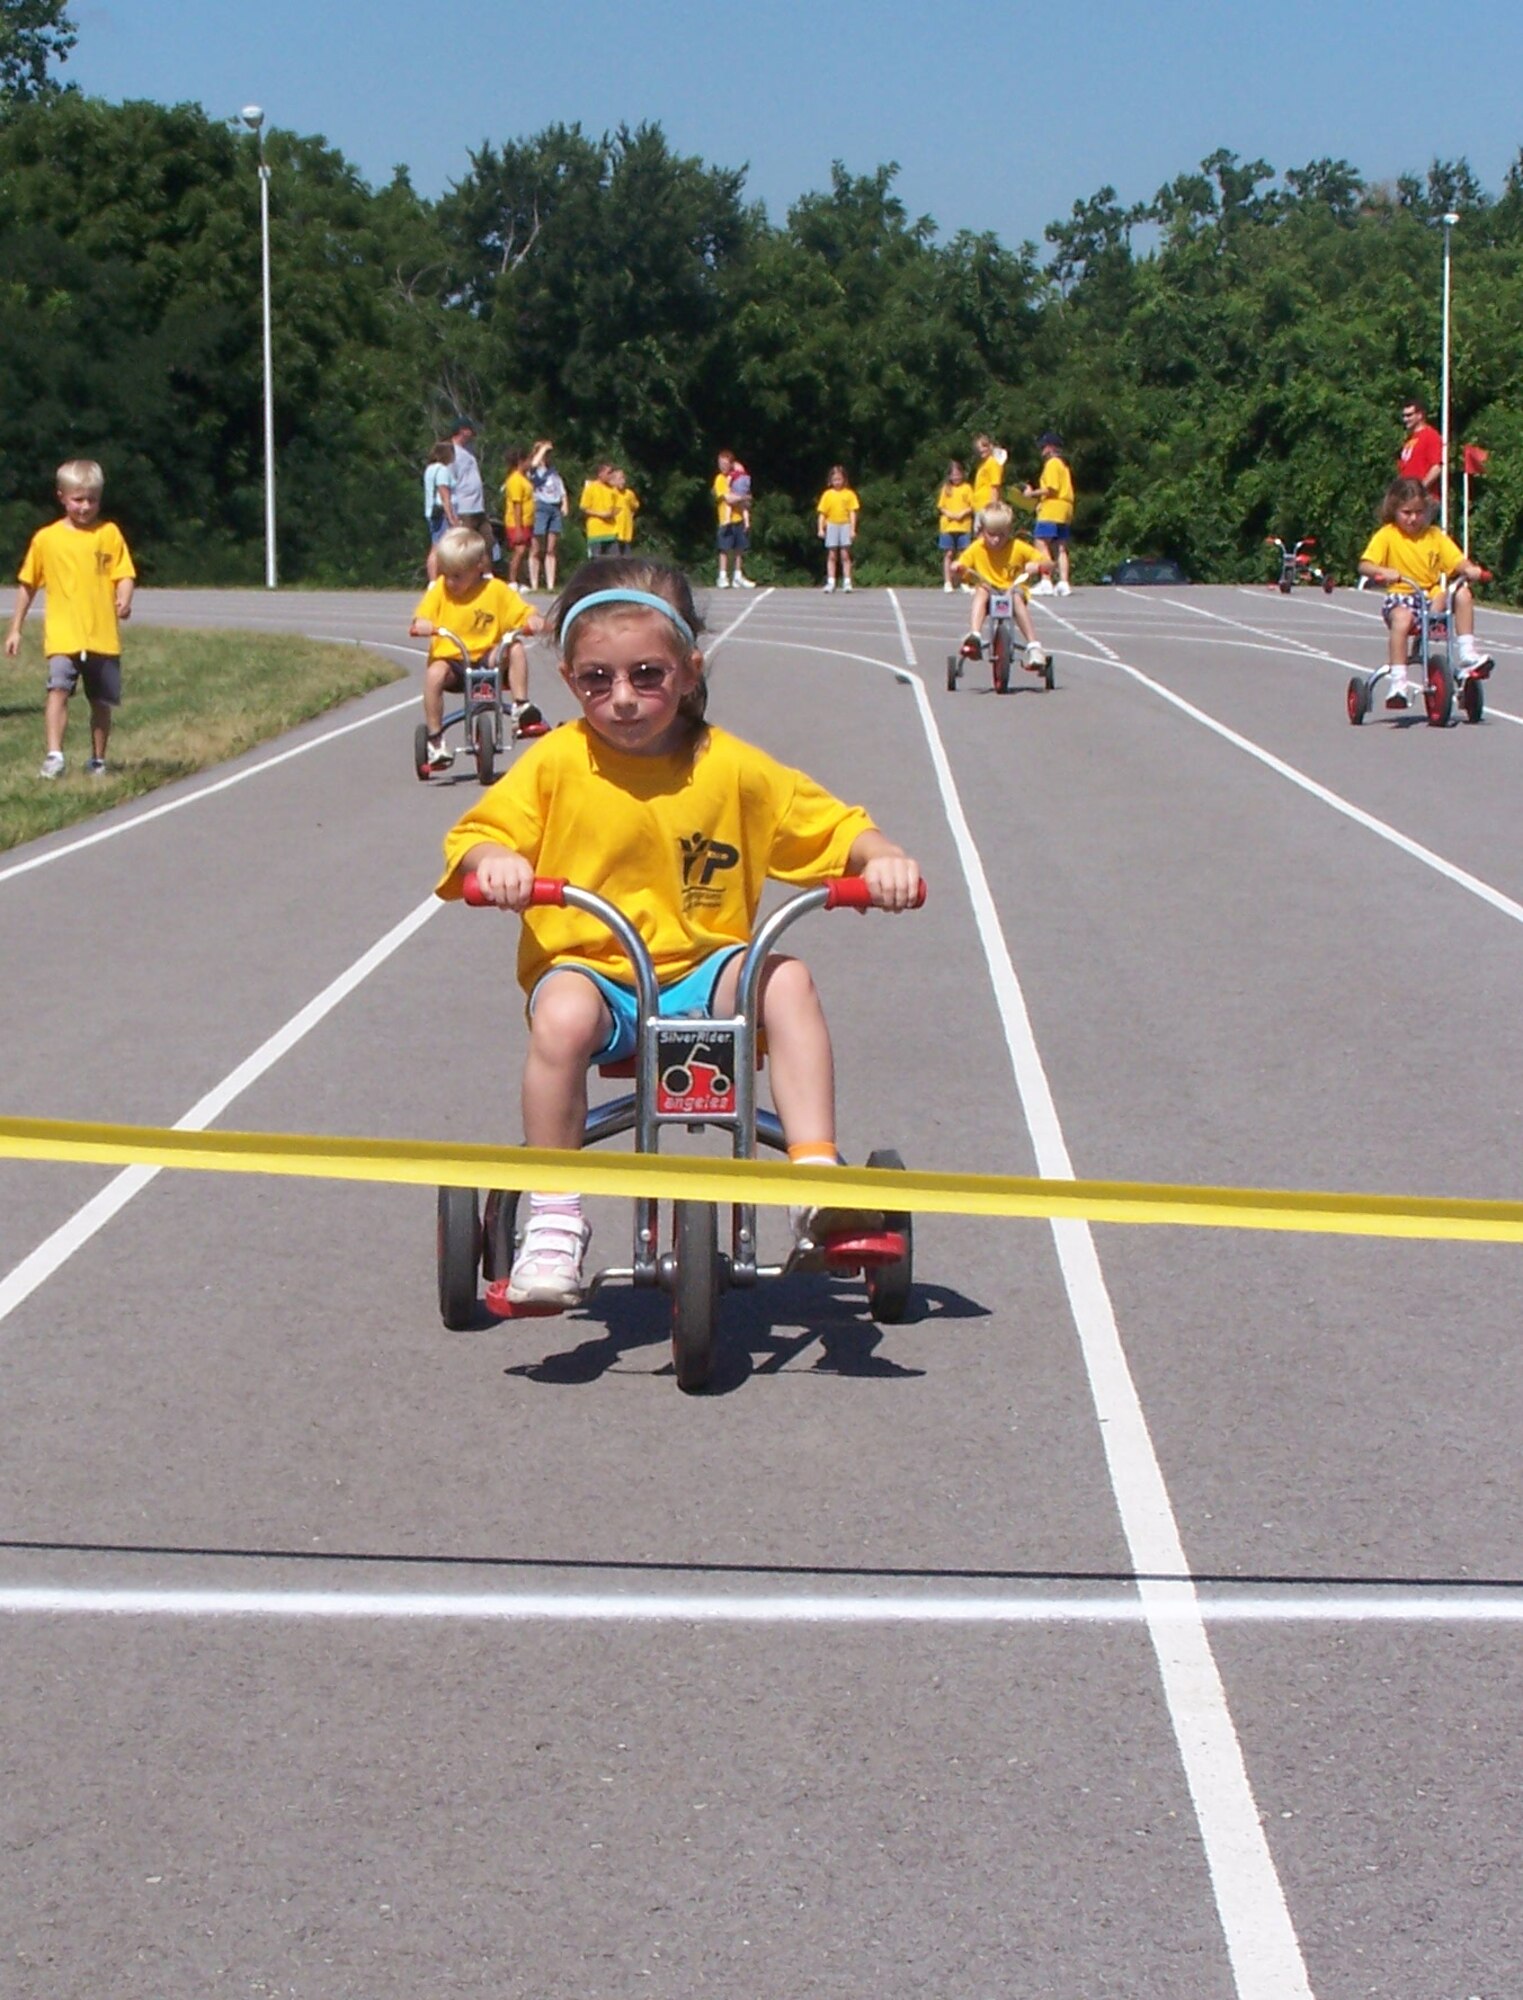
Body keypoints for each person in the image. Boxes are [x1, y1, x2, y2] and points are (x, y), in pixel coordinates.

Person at [435, 556, 921, 1308]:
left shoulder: (728, 767)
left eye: (647, 675)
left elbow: (831, 825)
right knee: (561, 1015)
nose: (622, 699)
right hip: (595, 971)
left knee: (783, 976)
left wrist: (879, 858)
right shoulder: (559, 762)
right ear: (568, 678)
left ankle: (816, 1177)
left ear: (690, 672)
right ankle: (556, 1215)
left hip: (703, 972)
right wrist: (495, 862)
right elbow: (479, 834)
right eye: (597, 680)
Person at [4, 458, 136, 779]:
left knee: (101, 700)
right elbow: (27, 585)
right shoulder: (47, 539)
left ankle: (98, 759)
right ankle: (54, 755)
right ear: (61, 496)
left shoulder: (109, 533)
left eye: (92, 499)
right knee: (58, 689)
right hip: (64, 635)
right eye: (78, 499)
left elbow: (124, 573)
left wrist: (125, 598)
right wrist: (15, 628)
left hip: (101, 635)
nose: (85, 506)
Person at [409, 526, 544, 769]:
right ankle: (435, 738)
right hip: (453, 660)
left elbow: (521, 611)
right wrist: (422, 624)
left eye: (457, 575)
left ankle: (521, 706)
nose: (450, 581)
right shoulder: (440, 590)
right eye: (446, 573)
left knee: (514, 648)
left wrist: (532, 620)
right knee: (434, 674)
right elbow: (422, 616)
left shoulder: (496, 590)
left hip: (487, 658)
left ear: (479, 567)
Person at [1357, 477, 1492, 705]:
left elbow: (1456, 560)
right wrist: (1383, 571)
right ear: (1395, 510)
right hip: (1402, 596)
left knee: (1461, 592)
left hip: (1430, 598)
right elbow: (1364, 565)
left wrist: (1470, 570)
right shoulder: (1388, 535)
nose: (1413, 518)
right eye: (1406, 512)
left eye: (1418, 512)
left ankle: (1468, 654)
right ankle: (1398, 683)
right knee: (1402, 619)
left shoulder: (1434, 536)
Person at [951, 502, 1050, 671]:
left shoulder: (1017, 547)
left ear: (1009, 531)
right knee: (981, 590)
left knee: (1016, 597)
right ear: (982, 531)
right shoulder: (977, 548)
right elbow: (961, 564)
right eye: (991, 534)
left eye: (1002, 535)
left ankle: (1034, 646)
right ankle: (975, 634)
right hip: (989, 590)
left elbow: (1047, 562)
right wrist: (957, 568)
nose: (996, 539)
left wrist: (1039, 566)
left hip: (1013, 589)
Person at [1023, 432, 1075, 595]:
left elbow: (1051, 488)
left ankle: (1046, 580)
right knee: (1060, 547)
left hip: (1052, 507)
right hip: (1065, 507)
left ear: (1051, 447)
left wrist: (1032, 494)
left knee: (1041, 543)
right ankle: (1064, 582)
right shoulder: (1063, 465)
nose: (1042, 450)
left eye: (1044, 446)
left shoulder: (1052, 463)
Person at [712, 449, 756, 589]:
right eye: (720, 464)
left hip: (738, 518)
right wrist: (742, 497)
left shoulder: (736, 478)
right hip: (726, 519)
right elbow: (728, 498)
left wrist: (744, 498)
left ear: (731, 464)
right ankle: (722, 576)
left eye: (725, 464)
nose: (722, 467)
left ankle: (738, 576)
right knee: (724, 549)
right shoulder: (720, 479)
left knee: (739, 549)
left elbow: (749, 498)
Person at [527, 440, 566, 594]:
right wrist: (541, 449)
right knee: (536, 546)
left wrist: (564, 503)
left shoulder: (553, 471)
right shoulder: (534, 471)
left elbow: (560, 488)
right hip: (540, 506)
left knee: (551, 548)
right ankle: (534, 583)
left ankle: (550, 583)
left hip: (554, 507)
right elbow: (533, 464)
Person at [816, 466, 860, 593]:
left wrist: (852, 529)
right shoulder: (827, 495)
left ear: (844, 479)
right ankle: (831, 581)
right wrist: (820, 528)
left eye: (839, 479)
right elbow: (822, 513)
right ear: (831, 480)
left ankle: (847, 581)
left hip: (845, 525)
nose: (837, 482)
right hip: (831, 525)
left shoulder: (849, 494)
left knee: (845, 554)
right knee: (832, 554)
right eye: (834, 479)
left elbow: (852, 512)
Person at [448, 418, 490, 548]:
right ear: (462, 431)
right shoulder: (451, 452)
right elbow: (447, 482)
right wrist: (451, 512)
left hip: (478, 507)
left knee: (488, 543)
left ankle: (486, 569)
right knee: (466, 547)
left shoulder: (469, 451)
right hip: (464, 509)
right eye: (470, 429)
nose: (472, 433)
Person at [1397, 398, 1444, 510]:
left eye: (1409, 415)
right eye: (1404, 416)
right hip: (1407, 497)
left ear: (1420, 415)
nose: (1405, 419)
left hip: (1425, 498)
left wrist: (1420, 488)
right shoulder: (1410, 439)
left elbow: (1437, 467)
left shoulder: (1430, 435)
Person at [936, 461, 976, 592]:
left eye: (958, 474)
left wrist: (962, 514)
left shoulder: (967, 488)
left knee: (964, 554)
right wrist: (951, 514)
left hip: (963, 526)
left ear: (962, 474)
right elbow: (941, 507)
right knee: (948, 553)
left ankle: (964, 580)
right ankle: (948, 582)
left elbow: (972, 506)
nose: (956, 477)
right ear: (949, 476)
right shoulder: (946, 489)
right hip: (948, 526)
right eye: (953, 475)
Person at [423, 442, 457, 581]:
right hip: (441, 513)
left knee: (436, 544)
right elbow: (445, 495)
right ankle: (434, 579)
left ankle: (434, 579)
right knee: (438, 547)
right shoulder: (442, 470)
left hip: (431, 511)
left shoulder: (430, 469)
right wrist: (451, 517)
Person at [501, 445, 534, 589]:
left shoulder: (523, 478)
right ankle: (512, 580)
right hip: (516, 523)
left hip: (527, 521)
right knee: (519, 551)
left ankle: (520, 581)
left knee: (524, 552)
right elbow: (517, 505)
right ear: (521, 461)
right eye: (528, 460)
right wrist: (519, 528)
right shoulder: (515, 480)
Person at [579, 461, 620, 559]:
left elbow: (617, 506)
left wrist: (613, 512)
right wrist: (601, 514)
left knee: (614, 561)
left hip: (611, 531)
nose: (611, 475)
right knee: (596, 562)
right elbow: (584, 508)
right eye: (608, 473)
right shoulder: (591, 488)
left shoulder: (613, 489)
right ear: (600, 473)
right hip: (596, 532)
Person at [971, 432, 1007, 526]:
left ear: (990, 446)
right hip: (979, 506)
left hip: (987, 506)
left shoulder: (992, 463)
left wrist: (993, 508)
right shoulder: (982, 465)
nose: (981, 449)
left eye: (984, 446)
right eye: (978, 447)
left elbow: (995, 486)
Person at [611, 467, 640, 554]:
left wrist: (632, 514)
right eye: (620, 479)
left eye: (623, 478)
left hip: (626, 533)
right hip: (614, 533)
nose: (622, 481)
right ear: (613, 480)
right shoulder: (612, 493)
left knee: (627, 559)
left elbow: (635, 506)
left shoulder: (629, 494)